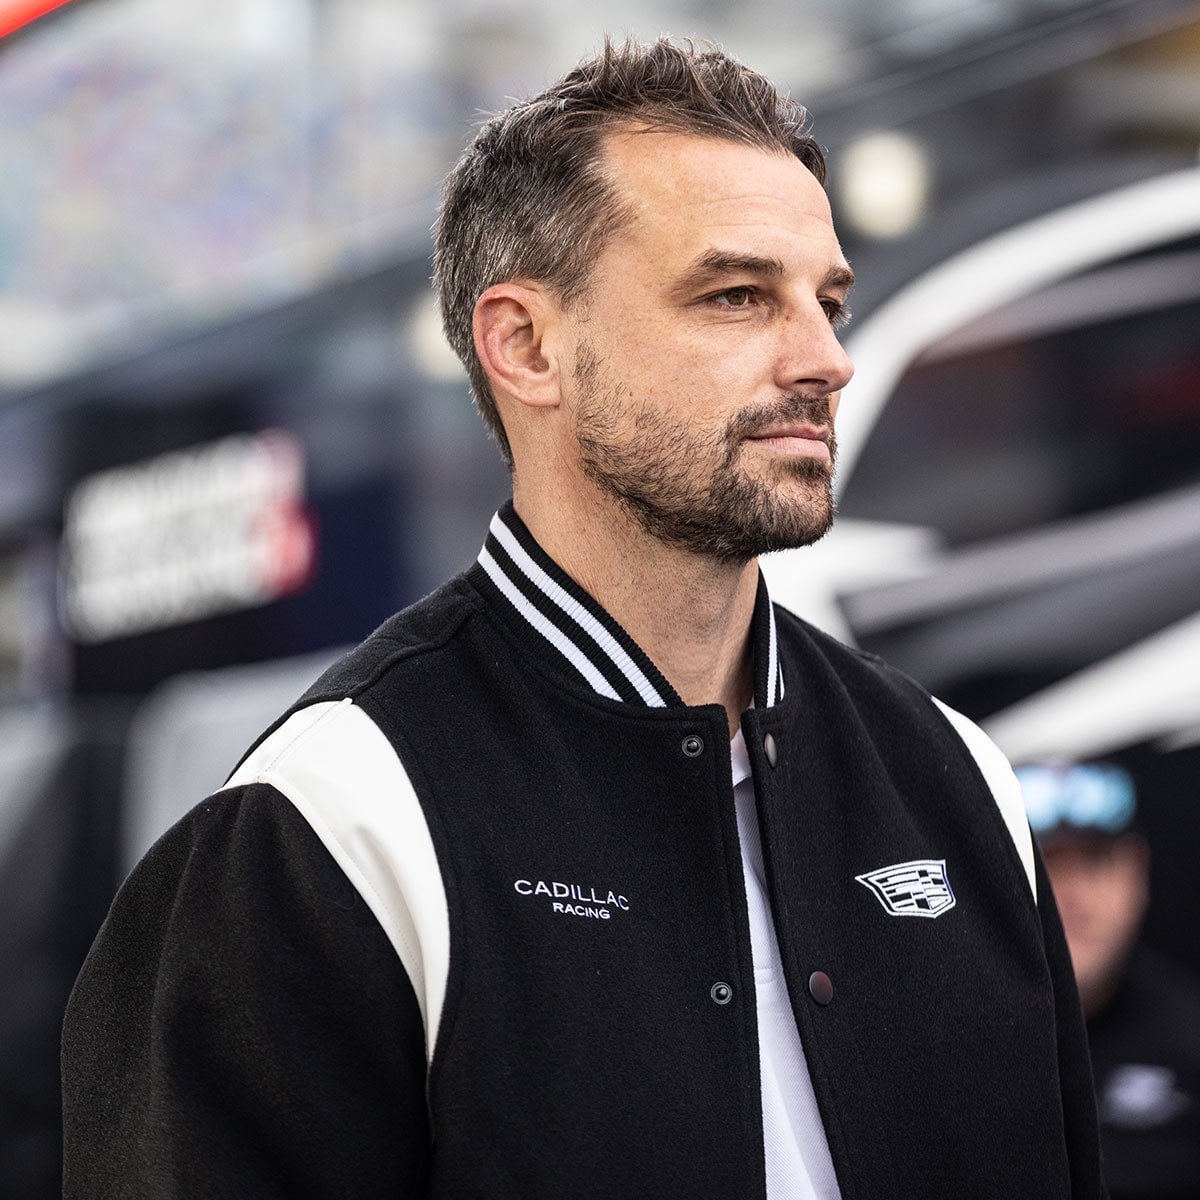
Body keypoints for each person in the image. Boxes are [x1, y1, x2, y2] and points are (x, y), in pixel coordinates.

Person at [62, 38, 1104, 1198]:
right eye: (735, 295)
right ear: (527, 345)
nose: (824, 359)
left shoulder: (956, 774)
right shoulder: (331, 817)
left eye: (829, 301)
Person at [1019, 761, 1200, 1199]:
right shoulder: (954, 1045)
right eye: (1048, 865)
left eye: (1094, 862)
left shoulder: (1191, 1041)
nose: (1074, 895)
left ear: (1136, 872)